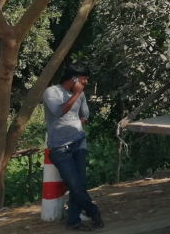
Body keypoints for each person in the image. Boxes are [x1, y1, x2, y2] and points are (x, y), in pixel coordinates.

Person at [42, 63, 104, 231]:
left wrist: (75, 125)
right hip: (59, 148)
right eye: (84, 79)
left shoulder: (81, 95)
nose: (86, 83)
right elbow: (58, 111)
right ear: (75, 79)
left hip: (78, 143)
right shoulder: (52, 92)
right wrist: (76, 93)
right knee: (74, 185)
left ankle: (73, 221)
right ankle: (93, 211)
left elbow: (85, 115)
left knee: (80, 185)